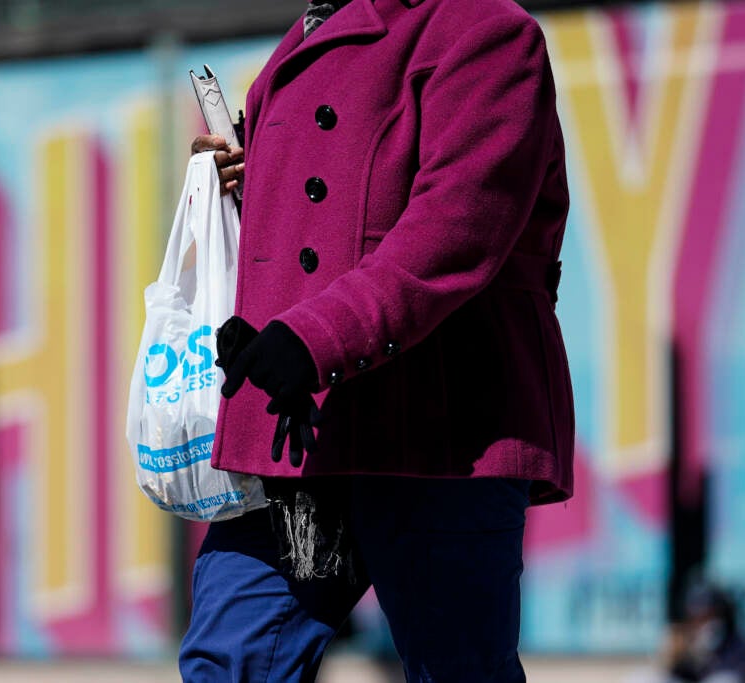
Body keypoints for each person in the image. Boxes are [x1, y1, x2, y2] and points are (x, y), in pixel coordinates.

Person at [182, 0, 572, 679]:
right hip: (306, 437)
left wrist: (312, 337)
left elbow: (455, 231)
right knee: (231, 661)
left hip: (443, 432)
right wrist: (245, 184)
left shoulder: (487, 32)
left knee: (457, 669)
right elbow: (328, 219)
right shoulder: (293, 53)